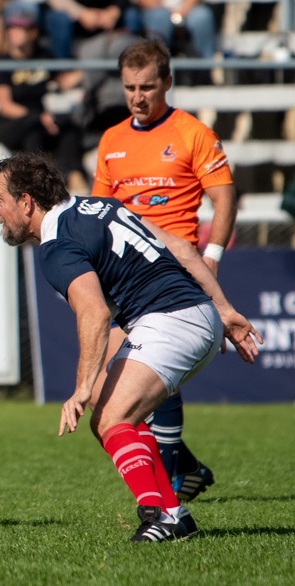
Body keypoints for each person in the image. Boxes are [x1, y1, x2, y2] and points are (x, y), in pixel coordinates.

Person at [0, 152, 259, 542]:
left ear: (27, 201)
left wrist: (80, 389)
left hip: (171, 320)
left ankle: (161, 515)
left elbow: (95, 313)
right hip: (193, 313)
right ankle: (173, 514)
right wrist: (223, 309)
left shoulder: (57, 245)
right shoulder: (100, 205)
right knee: (116, 413)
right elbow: (181, 248)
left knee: (109, 418)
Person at [91, 38, 236, 501]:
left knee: (154, 373)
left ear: (167, 82)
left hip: (174, 269)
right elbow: (100, 210)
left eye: (147, 87)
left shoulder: (193, 133)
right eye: (130, 87)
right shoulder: (112, 140)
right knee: (110, 388)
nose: (138, 96)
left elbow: (224, 198)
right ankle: (188, 468)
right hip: (123, 275)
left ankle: (170, 483)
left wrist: (212, 256)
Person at [0, 9, 88, 193]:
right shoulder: (3, 63)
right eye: (12, 27)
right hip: (14, 123)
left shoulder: (43, 56)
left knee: (68, 127)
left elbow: (62, 82)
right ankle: (35, 185)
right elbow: (5, 106)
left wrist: (87, 69)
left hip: (42, 119)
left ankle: (74, 175)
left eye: (21, 28)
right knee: (33, 130)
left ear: (33, 32)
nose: (15, 32)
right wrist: (38, 117)